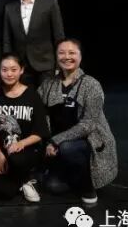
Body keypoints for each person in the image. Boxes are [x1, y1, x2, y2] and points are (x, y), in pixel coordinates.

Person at [38, 39, 118, 204]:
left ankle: (88, 186)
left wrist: (55, 141)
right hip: (58, 144)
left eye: (72, 53)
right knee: (52, 186)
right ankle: (74, 175)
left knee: (68, 148)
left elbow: (88, 125)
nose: (66, 57)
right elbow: (33, 104)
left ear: (80, 57)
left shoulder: (91, 85)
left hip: (87, 142)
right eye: (61, 53)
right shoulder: (49, 84)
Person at [0, 54, 49, 202]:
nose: (9, 74)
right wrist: (0, 155)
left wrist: (21, 143)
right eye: (4, 70)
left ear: (21, 70)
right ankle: (21, 180)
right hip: (3, 153)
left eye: (13, 69)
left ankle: (26, 178)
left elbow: (41, 132)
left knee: (16, 159)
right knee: (3, 193)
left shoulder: (32, 95)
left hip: (26, 152)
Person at [3, 0, 65, 86]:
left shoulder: (50, 3)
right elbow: (7, 40)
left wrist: (59, 66)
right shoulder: (9, 8)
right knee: (25, 98)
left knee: (46, 98)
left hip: (46, 65)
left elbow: (59, 37)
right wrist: (8, 65)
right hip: (21, 67)